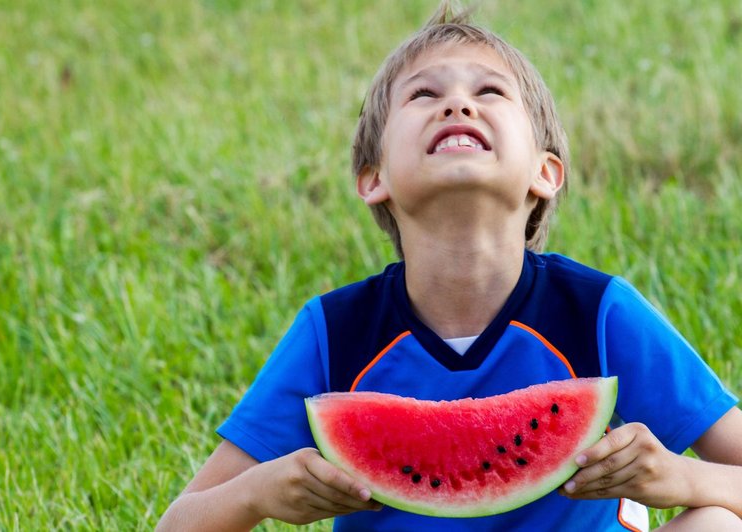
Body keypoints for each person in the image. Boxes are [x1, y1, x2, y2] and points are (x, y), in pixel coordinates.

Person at [156, 2, 742, 531]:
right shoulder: (336, 333)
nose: (458, 104)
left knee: (718, 521)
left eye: (489, 91)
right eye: (422, 96)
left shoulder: (597, 313)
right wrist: (257, 494)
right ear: (373, 179)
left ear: (547, 172)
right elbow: (178, 523)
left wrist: (683, 478)